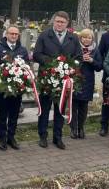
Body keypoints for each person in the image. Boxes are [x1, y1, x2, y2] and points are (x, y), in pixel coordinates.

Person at [33, 11, 82, 150]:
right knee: (45, 108)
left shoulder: (73, 38)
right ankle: (43, 136)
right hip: (47, 79)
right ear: (53, 22)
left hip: (64, 80)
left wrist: (69, 67)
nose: (60, 24)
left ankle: (57, 137)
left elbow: (78, 57)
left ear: (67, 24)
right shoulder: (44, 35)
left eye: (63, 22)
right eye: (57, 21)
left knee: (60, 109)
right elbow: (37, 54)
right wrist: (52, 64)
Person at [0, 25, 29, 151]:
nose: (14, 36)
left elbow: (27, 66)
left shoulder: (22, 50)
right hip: (3, 89)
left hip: (17, 88)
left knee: (14, 114)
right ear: (6, 35)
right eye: (12, 33)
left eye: (16, 34)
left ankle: (11, 137)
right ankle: (2, 138)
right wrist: (1, 75)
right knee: (3, 114)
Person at [70, 28, 103, 139]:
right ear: (80, 38)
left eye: (89, 37)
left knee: (84, 106)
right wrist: (80, 60)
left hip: (88, 81)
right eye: (84, 37)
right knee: (74, 106)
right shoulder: (75, 48)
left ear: (92, 39)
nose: (86, 40)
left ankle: (81, 128)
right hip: (76, 80)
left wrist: (92, 61)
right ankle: (73, 128)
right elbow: (69, 62)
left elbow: (99, 66)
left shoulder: (95, 50)